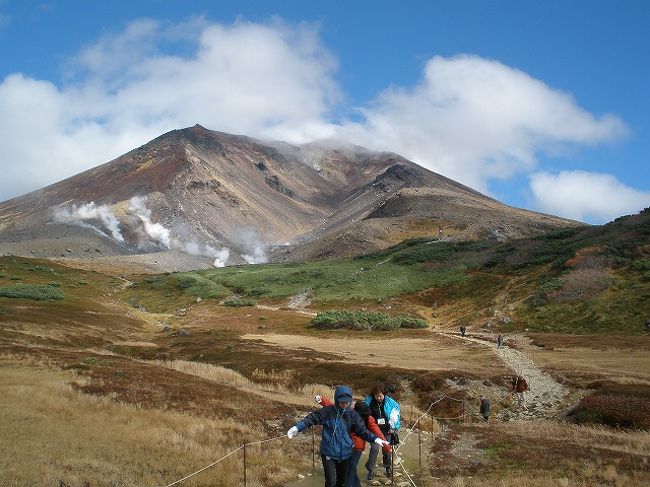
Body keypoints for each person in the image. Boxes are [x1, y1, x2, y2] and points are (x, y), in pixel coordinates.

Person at [287, 386, 389, 487]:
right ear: (336, 400)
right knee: (331, 482)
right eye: (342, 402)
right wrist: (297, 427)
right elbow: (311, 419)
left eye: (346, 402)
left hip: (345, 453)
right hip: (328, 452)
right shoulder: (327, 412)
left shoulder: (353, 415)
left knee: (342, 481)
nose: (344, 404)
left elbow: (362, 430)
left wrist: (375, 438)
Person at [316, 396, 390, 487]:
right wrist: (322, 400)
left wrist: (386, 446)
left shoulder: (369, 419)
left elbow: (377, 432)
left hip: (356, 448)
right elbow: (332, 407)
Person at [364, 384, 400, 480]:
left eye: (380, 395)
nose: (378, 398)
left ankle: (387, 467)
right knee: (374, 449)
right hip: (374, 431)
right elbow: (362, 413)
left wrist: (392, 426)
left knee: (386, 449)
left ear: (383, 393)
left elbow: (395, 414)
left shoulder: (390, 403)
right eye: (376, 396)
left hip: (386, 430)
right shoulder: (369, 402)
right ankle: (371, 470)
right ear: (373, 395)